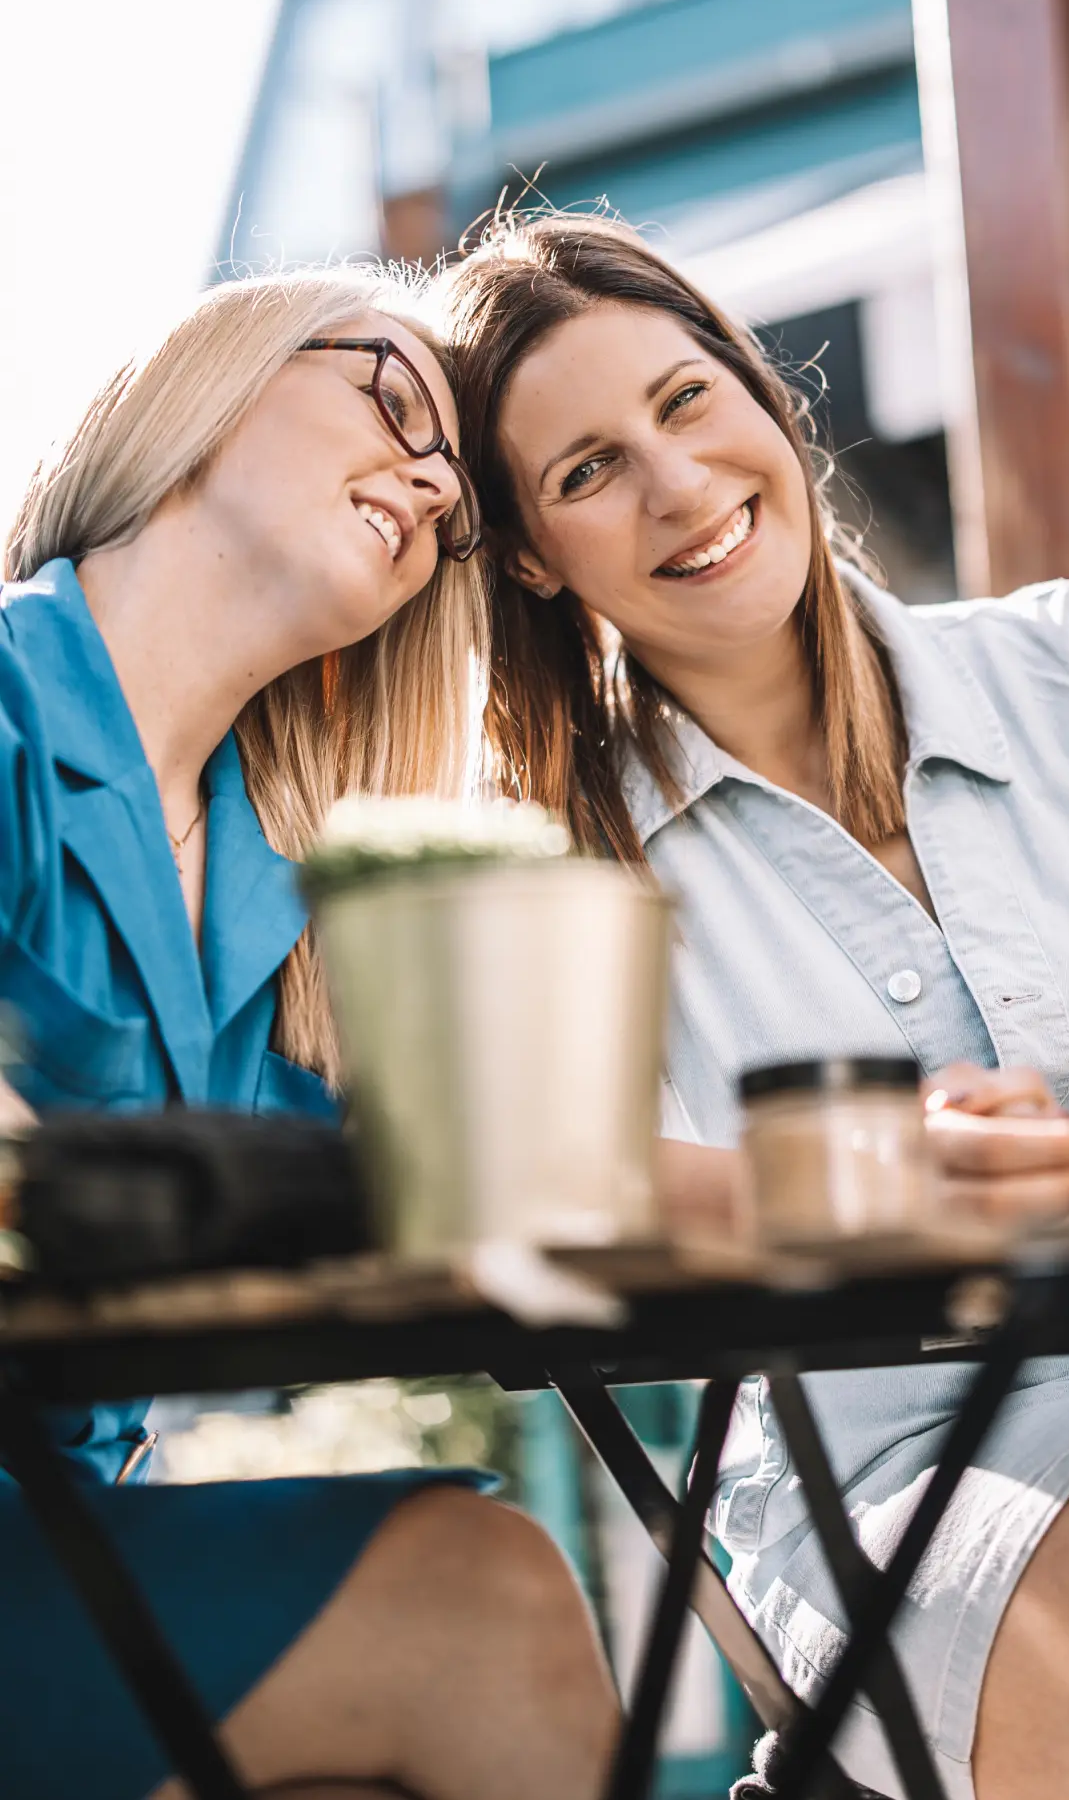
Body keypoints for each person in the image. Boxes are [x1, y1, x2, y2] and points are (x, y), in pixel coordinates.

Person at [444, 210, 1069, 1800]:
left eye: (689, 401)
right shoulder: (556, 866)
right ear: (522, 553)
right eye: (586, 472)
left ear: (764, 398)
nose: (679, 486)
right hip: (905, 1499)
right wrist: (873, 1181)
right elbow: (572, 1184)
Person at [0, 267, 617, 1800]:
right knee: (483, 1606)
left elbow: (475, 1186)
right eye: (393, 399)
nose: (428, 477)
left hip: (63, 1544)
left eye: (458, 498)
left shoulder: (283, 922)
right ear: (201, 392)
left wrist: (892, 1164)